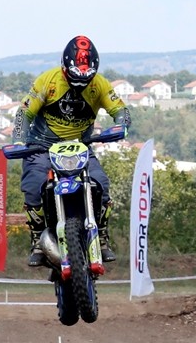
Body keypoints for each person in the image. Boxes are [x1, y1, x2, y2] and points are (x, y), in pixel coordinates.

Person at [15, 35, 133, 267]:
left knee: (101, 183)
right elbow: (24, 112)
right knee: (34, 184)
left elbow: (121, 109)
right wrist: (19, 141)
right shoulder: (47, 81)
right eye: (75, 78)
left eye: (85, 79)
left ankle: (101, 233)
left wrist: (122, 125)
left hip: (80, 146)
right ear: (64, 67)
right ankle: (38, 238)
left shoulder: (100, 85)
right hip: (42, 146)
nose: (80, 84)